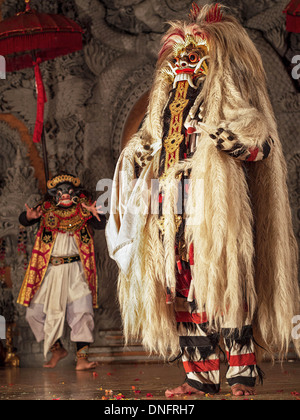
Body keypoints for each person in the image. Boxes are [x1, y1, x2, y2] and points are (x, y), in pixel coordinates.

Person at [106, 3, 299, 397]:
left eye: (195, 56)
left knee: (225, 284)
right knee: (180, 287)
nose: (185, 63)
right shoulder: (162, 108)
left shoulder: (226, 98)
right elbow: (149, 143)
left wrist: (221, 138)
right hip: (167, 205)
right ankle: (199, 376)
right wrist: (137, 152)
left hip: (212, 205)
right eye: (179, 56)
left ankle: (241, 376)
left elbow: (259, 143)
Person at [18, 174, 106, 370]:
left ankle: (82, 359)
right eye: (60, 193)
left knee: (82, 312)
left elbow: (102, 223)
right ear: (55, 196)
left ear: (75, 193)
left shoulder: (83, 210)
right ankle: (57, 349)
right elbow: (25, 219)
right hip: (50, 272)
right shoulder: (46, 212)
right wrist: (29, 217)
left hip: (76, 270)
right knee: (34, 313)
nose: (65, 195)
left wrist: (92, 213)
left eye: (68, 192)